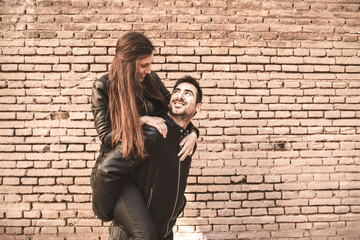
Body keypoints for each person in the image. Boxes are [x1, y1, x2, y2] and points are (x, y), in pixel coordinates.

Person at [90, 32, 198, 239]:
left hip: (146, 167)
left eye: (150, 65)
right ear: (128, 64)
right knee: (145, 234)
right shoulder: (103, 87)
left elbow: (174, 110)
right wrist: (141, 120)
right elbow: (106, 136)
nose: (148, 71)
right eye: (144, 65)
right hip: (120, 169)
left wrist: (193, 132)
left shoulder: (151, 79)